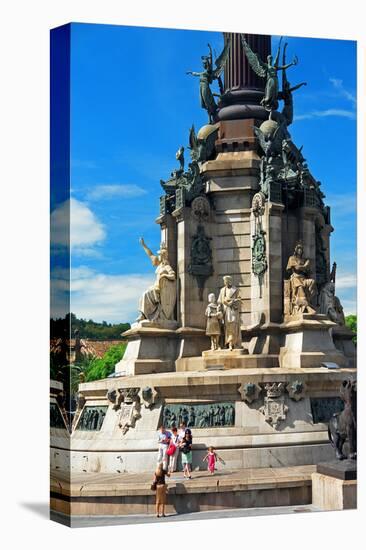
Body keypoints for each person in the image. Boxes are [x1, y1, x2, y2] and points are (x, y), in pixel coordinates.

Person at [217, 275, 242, 351]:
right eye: (225, 281)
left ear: (229, 281)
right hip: (226, 311)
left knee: (234, 326)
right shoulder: (222, 290)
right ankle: (229, 343)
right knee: (227, 327)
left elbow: (239, 299)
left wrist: (232, 301)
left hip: (233, 310)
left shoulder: (236, 289)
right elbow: (219, 301)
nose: (225, 283)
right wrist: (219, 309)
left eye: (226, 281)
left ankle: (234, 343)